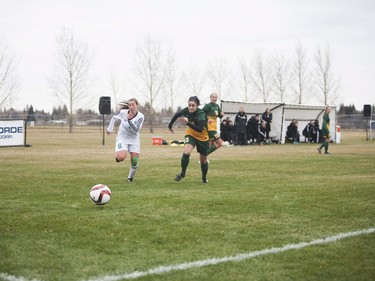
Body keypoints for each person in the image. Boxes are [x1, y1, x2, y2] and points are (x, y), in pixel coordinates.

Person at [168, 96, 210, 183]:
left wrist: (188, 123)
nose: (190, 107)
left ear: (197, 106)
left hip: (203, 137)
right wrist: (170, 126)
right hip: (191, 134)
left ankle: (204, 177)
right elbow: (176, 115)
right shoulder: (186, 110)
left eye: (193, 106)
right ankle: (182, 173)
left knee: (203, 161)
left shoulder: (201, 113)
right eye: (189, 105)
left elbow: (200, 129)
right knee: (186, 152)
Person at [106, 98, 144, 182]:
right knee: (121, 157)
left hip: (134, 139)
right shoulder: (123, 112)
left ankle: (130, 178)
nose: (131, 107)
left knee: (134, 161)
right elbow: (114, 117)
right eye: (129, 105)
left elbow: (136, 129)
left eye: (133, 105)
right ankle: (118, 157)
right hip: (122, 138)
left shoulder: (141, 116)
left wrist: (129, 120)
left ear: (137, 105)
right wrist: (110, 128)